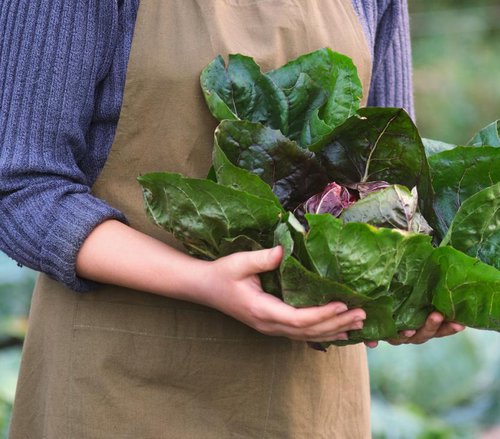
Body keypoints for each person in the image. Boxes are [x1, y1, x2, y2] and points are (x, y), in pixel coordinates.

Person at [0, 1, 464, 437]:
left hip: (308, 404)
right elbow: (21, 185)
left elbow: (389, 170)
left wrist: (408, 299)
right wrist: (199, 279)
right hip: (120, 390)